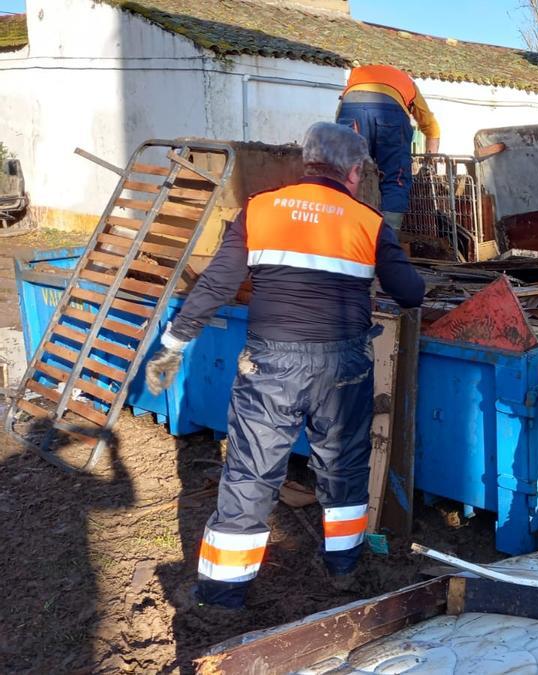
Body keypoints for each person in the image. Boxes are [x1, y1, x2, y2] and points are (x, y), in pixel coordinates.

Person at [143, 122, 426, 610]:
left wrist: (173, 345)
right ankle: (343, 570)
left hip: (269, 363)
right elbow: (411, 293)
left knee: (251, 472)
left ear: (306, 163)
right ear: (354, 171)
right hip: (344, 366)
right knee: (343, 469)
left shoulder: (260, 209)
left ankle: (223, 595)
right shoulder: (368, 222)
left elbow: (214, 285)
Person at [336, 64, 442, 229]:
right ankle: (387, 239)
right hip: (391, 113)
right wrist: (430, 162)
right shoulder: (408, 83)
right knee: (395, 179)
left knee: (347, 173)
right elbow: (431, 126)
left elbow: (339, 114)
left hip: (351, 109)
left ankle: (346, 232)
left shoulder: (356, 75)